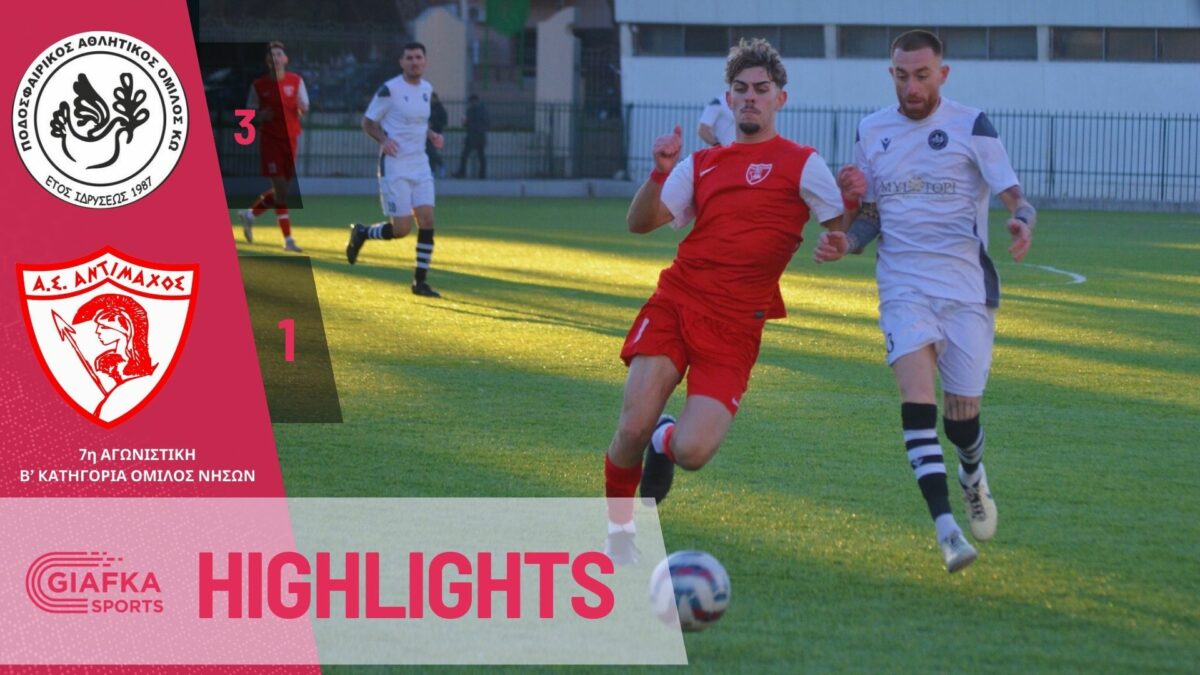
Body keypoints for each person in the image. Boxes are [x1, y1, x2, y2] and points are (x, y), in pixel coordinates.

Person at [603, 38, 845, 564]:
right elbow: (639, 223)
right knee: (631, 425)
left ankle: (665, 441)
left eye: (761, 89)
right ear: (729, 98)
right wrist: (660, 172)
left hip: (736, 327)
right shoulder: (702, 163)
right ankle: (619, 534)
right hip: (677, 303)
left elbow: (839, 223)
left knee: (692, 452)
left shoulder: (803, 163)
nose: (750, 97)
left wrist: (842, 230)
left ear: (780, 98)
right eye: (741, 89)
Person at [814, 29, 1036, 573]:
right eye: (901, 75)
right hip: (903, 285)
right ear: (890, 73)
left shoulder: (971, 124)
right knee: (917, 398)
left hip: (965, 289)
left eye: (921, 75)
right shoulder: (871, 130)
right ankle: (946, 531)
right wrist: (847, 242)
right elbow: (869, 217)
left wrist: (1021, 221)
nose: (911, 87)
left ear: (942, 74)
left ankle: (972, 473)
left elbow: (1016, 196)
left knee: (962, 421)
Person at [346, 42, 445, 298]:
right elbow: (368, 123)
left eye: (418, 57)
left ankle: (420, 282)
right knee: (401, 229)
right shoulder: (389, 89)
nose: (414, 62)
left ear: (425, 61)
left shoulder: (427, 89)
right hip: (395, 166)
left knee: (427, 219)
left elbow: (417, 123)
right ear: (401, 62)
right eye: (409, 58)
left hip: (420, 164)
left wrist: (432, 135)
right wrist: (384, 140)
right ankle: (363, 232)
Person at [239, 41, 309, 252]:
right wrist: (260, 116)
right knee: (280, 189)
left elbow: (305, 106)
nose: (275, 58)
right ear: (267, 60)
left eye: (279, 54)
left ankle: (249, 214)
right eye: (272, 55)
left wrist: (302, 108)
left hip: (291, 139)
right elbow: (248, 113)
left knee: (282, 191)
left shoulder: (296, 81)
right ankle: (288, 240)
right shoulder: (258, 85)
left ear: (285, 59)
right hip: (270, 140)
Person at [454, 94, 490, 179]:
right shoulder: (473, 111)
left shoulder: (480, 111)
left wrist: (472, 126)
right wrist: (465, 123)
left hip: (477, 136)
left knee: (477, 156)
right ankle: (479, 174)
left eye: (472, 102)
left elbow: (486, 123)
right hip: (474, 136)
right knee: (471, 156)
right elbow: (469, 124)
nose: (471, 104)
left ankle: (480, 174)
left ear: (475, 101)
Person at [427, 92, 448, 177]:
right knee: (430, 152)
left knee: (432, 152)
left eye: (432, 98)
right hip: (428, 133)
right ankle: (433, 170)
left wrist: (434, 124)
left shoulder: (440, 109)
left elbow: (444, 122)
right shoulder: (428, 108)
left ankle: (441, 164)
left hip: (436, 133)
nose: (431, 100)